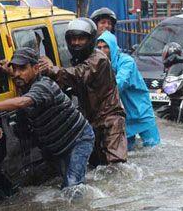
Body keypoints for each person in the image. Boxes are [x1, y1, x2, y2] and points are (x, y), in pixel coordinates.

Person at [0, 48, 95, 188]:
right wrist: (10, 72)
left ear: (35, 68)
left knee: (73, 186)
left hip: (78, 140)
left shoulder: (44, 86)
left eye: (22, 69)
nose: (17, 74)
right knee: (65, 185)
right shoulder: (25, 81)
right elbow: (19, 78)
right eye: (14, 69)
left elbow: (22, 102)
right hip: (57, 147)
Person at [39, 18, 127, 167]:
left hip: (110, 119)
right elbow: (69, 84)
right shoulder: (78, 59)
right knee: (94, 166)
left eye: (81, 39)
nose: (76, 43)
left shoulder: (98, 59)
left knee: (116, 166)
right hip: (89, 120)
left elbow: (78, 75)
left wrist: (51, 68)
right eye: (73, 39)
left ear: (90, 39)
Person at [96, 31, 160, 150]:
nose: (102, 50)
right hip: (124, 114)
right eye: (99, 47)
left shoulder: (126, 61)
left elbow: (120, 82)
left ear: (113, 47)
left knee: (153, 147)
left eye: (106, 47)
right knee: (127, 151)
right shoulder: (102, 64)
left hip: (141, 110)